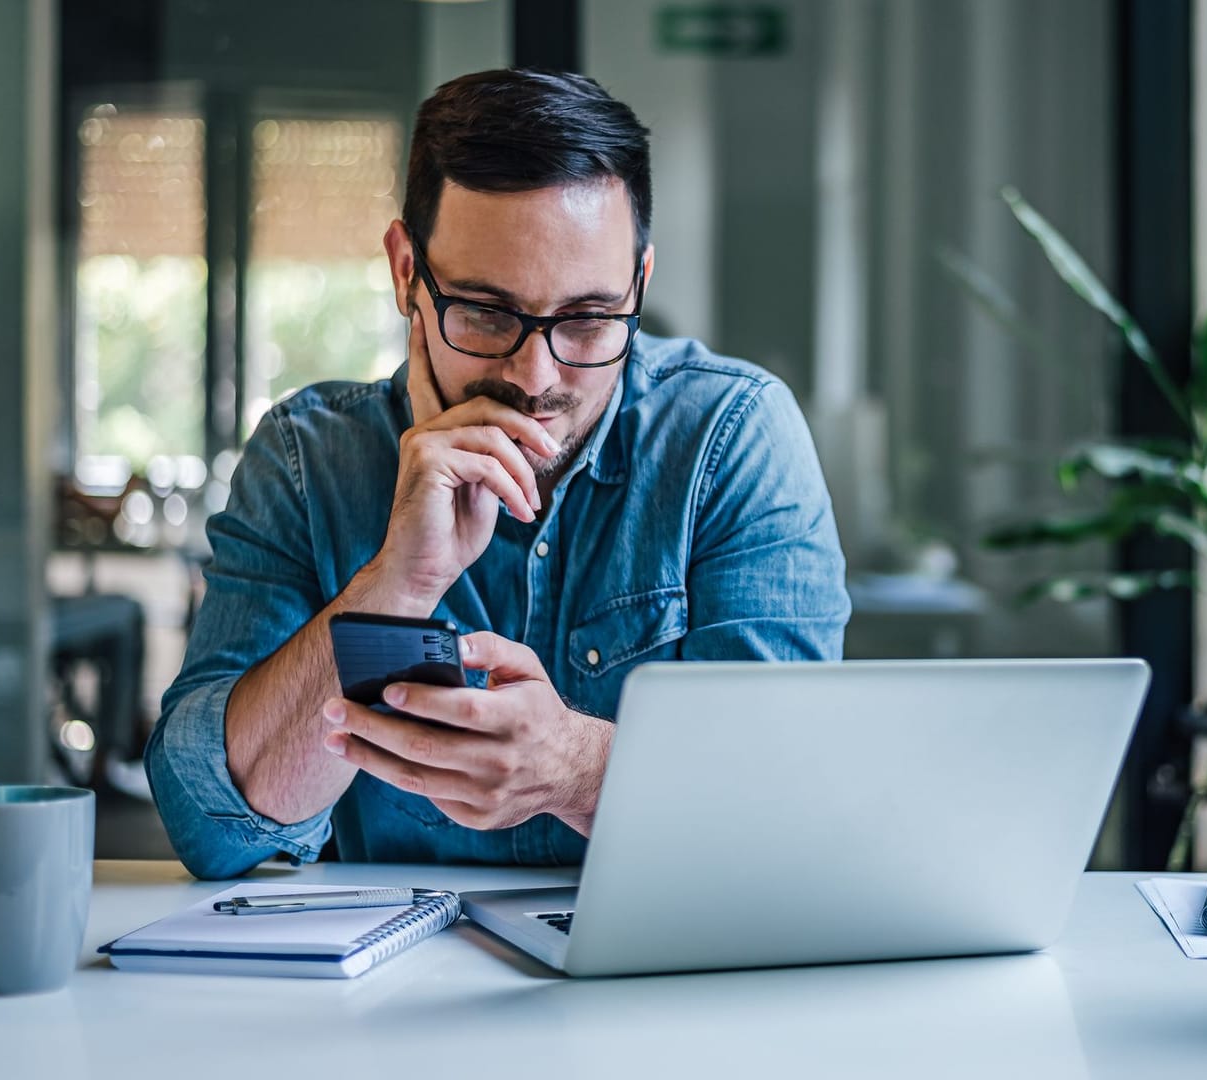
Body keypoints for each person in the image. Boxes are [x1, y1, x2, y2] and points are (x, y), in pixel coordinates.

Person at [148, 69, 850, 880]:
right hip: (385, 994)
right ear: (407, 271)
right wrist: (397, 587)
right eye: (485, 312)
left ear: (640, 284)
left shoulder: (730, 440)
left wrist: (580, 770)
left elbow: (790, 809)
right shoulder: (311, 459)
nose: (534, 374)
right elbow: (211, 826)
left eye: (587, 319)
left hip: (663, 983)